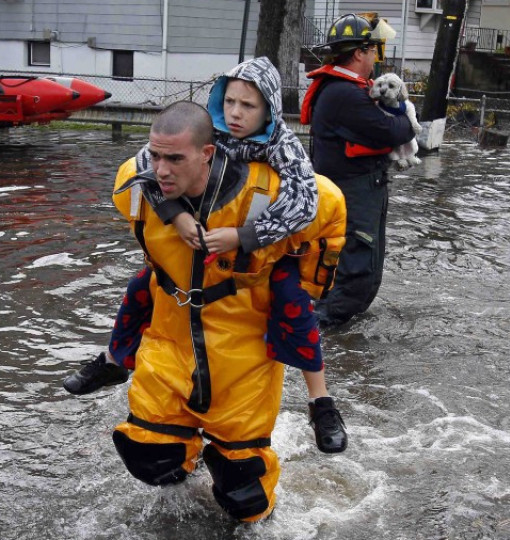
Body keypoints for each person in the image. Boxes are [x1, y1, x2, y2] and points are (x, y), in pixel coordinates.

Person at [64, 57, 350, 453]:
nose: (235, 113)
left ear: (268, 108)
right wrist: (174, 214)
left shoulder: (282, 145)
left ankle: (320, 401)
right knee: (143, 285)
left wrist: (243, 236)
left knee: (292, 303)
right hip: (195, 256)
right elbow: (147, 163)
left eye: (248, 106)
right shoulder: (202, 131)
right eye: (230, 101)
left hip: (261, 248)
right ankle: (114, 359)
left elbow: (304, 203)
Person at [106, 101, 306, 521]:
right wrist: (174, 214)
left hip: (244, 353)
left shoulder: (272, 193)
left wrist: (319, 396)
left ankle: (240, 478)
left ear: (207, 154)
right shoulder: (137, 184)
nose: (161, 170)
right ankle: (188, 458)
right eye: (156, 156)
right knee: (146, 454)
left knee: (244, 493)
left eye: (175, 159)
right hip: (170, 339)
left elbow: (315, 231)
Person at [301, 13, 416, 327]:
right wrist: (407, 119)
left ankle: (346, 345)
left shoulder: (349, 90)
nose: (376, 58)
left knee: (364, 269)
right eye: (373, 51)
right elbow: (395, 131)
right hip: (351, 192)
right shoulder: (344, 94)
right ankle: (326, 341)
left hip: (363, 189)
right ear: (358, 54)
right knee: (353, 268)